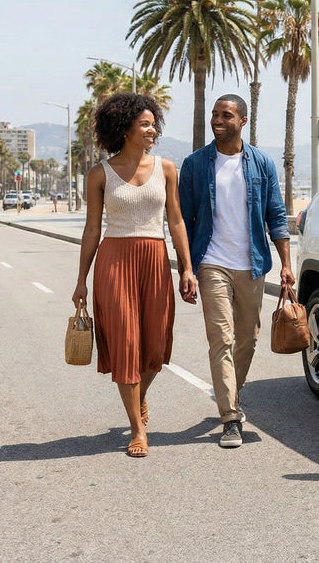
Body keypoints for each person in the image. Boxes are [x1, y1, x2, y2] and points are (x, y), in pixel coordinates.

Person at [71, 93, 198, 459]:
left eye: (152, 123)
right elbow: (92, 229)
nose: (152, 129)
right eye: (144, 124)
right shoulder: (100, 173)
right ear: (125, 129)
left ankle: (139, 396)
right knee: (126, 344)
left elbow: (175, 221)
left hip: (155, 259)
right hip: (114, 261)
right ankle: (137, 429)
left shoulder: (166, 168)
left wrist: (186, 267)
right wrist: (81, 279)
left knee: (155, 346)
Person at [179, 94, 293, 449]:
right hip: (211, 261)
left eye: (225, 115)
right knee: (222, 338)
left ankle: (231, 392)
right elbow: (182, 220)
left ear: (242, 120)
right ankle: (230, 417)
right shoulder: (196, 164)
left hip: (252, 263)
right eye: (214, 114)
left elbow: (276, 215)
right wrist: (186, 267)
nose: (217, 120)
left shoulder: (261, 163)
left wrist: (287, 263)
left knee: (248, 339)